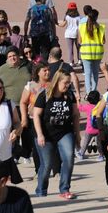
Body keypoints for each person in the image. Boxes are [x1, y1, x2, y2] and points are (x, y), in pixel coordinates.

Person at [32, 69, 80, 199]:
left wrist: (77, 135)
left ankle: (64, 189)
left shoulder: (70, 95)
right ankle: (41, 190)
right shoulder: (45, 95)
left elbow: (76, 115)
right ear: (57, 81)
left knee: (69, 158)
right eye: (65, 83)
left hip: (65, 132)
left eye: (69, 83)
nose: (67, 85)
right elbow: (36, 115)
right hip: (46, 134)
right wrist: (40, 134)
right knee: (47, 165)